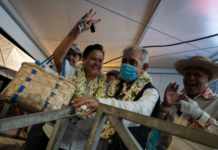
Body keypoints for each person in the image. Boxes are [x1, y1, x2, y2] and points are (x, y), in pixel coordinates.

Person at [25, 9, 107, 150]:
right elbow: (58, 56)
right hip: (54, 136)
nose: (97, 64)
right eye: (93, 59)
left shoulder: (106, 85)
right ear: (84, 59)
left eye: (100, 61)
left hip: (80, 144)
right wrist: (78, 29)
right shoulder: (71, 72)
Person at [73, 45, 160, 150]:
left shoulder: (150, 92)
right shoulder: (113, 85)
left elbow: (142, 110)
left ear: (144, 67)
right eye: (124, 61)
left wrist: (103, 104)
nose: (126, 65)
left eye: (132, 62)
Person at [24, 43, 82, 150]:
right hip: (40, 117)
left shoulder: (79, 77)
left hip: (58, 126)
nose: (70, 57)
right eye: (68, 53)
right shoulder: (50, 69)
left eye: (75, 55)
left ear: (79, 59)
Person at [157, 56, 218, 150]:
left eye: (197, 75)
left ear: (209, 79)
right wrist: (165, 106)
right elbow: (155, 125)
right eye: (187, 74)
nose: (191, 78)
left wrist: (198, 113)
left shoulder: (216, 102)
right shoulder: (174, 97)